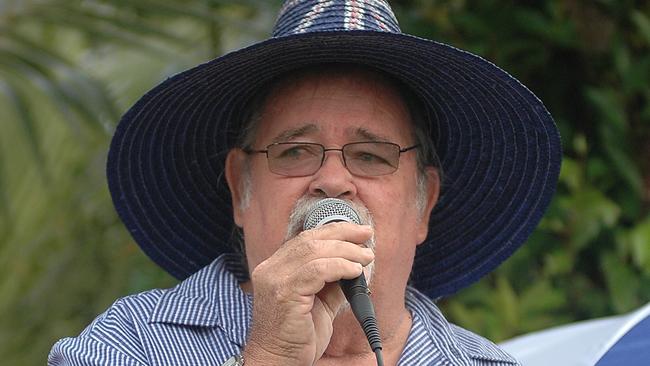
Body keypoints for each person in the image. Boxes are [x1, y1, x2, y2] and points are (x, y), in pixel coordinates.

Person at [49, 0, 561, 365]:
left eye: (370, 155)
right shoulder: (124, 346)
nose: (333, 180)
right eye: (294, 151)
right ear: (239, 190)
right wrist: (270, 357)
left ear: (423, 204)